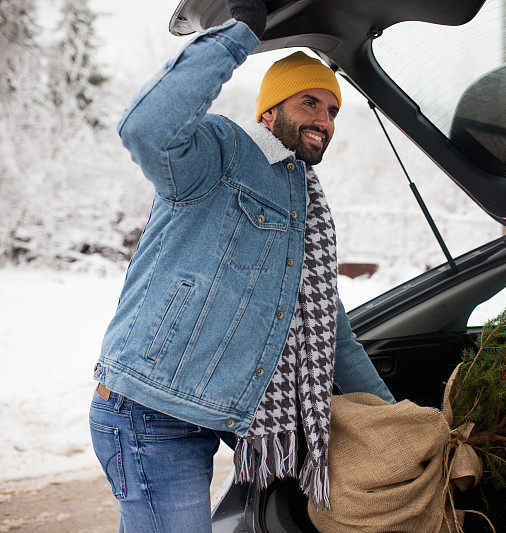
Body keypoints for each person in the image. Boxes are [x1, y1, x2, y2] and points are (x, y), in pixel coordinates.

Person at [88, 2, 394, 531]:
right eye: (309, 102)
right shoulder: (220, 150)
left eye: (333, 109)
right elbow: (146, 129)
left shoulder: (305, 203)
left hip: (221, 411)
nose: (324, 120)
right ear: (270, 110)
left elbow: (332, 331)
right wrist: (236, 38)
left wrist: (392, 418)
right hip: (151, 411)